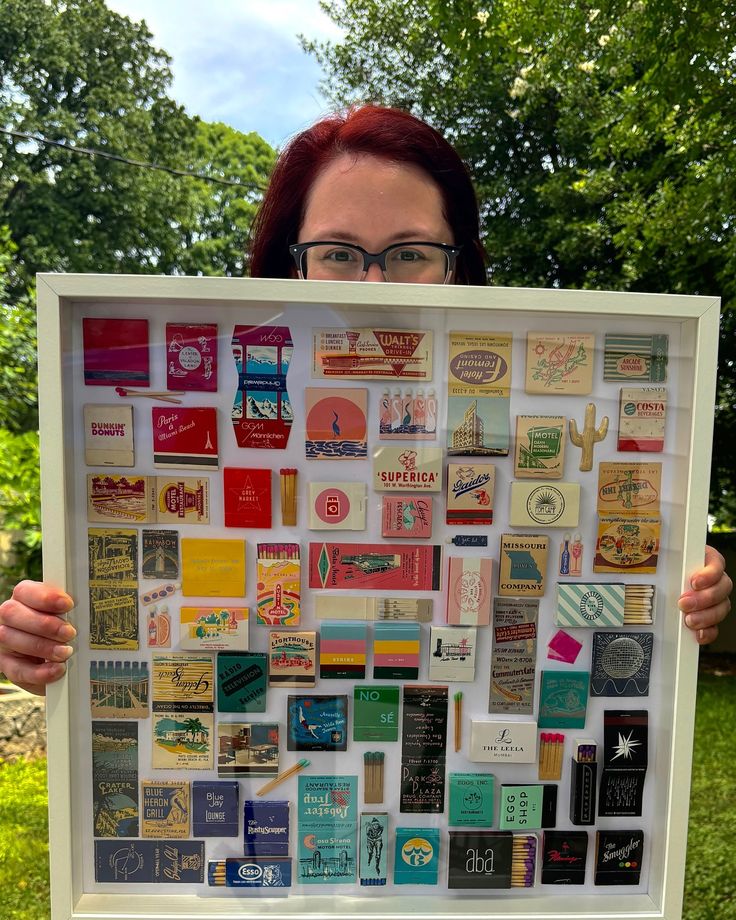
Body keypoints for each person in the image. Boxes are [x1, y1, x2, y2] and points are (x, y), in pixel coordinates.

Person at [0, 105, 731, 695]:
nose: (372, 287)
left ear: (459, 264)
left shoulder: (538, 411)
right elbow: (175, 618)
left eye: (410, 253)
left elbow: (568, 590)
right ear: (292, 262)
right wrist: (58, 639)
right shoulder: (210, 407)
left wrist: (669, 581)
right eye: (340, 253)